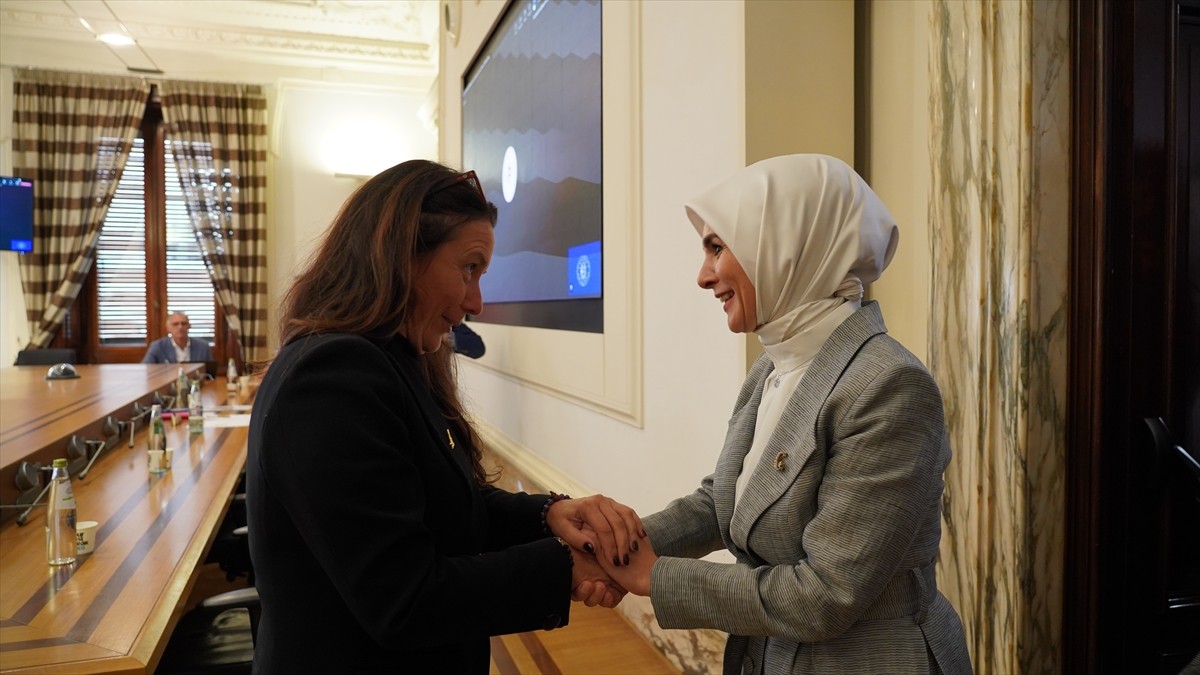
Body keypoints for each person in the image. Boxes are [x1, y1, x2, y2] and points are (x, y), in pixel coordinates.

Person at [245, 159, 642, 673]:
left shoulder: (393, 362)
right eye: (469, 269)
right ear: (402, 257)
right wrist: (566, 567)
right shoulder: (332, 376)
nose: (475, 301)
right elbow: (404, 599)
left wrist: (547, 515)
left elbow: (440, 505)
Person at [599, 155, 972, 674]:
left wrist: (653, 576)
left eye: (716, 247)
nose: (703, 276)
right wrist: (614, 548)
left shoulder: (890, 385)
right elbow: (721, 502)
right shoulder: (775, 364)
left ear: (784, 244)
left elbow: (827, 592)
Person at [141, 311, 214, 363]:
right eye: (175, 324)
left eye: (184, 323)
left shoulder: (203, 346)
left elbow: (209, 373)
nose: (180, 327)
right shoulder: (158, 346)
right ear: (168, 328)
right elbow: (146, 368)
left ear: (189, 326)